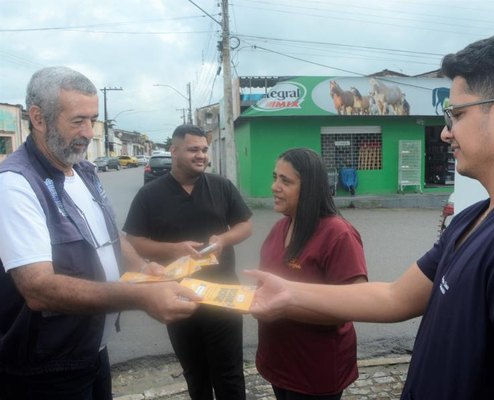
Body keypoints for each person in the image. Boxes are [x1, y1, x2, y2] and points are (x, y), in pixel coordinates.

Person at [246, 32, 494, 400]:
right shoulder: (476, 217)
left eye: (457, 114)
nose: (447, 133)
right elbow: (394, 297)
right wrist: (289, 294)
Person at [0, 66, 200, 400]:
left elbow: (111, 237)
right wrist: (141, 296)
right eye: (77, 120)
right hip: (44, 369)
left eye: (92, 120)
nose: (89, 132)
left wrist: (141, 268)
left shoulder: (84, 170)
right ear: (38, 117)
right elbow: (38, 289)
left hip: (92, 349)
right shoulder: (15, 184)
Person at [123, 123, 253, 400]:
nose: (201, 155)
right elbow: (133, 241)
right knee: (195, 372)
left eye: (204, 149)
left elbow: (245, 226)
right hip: (177, 296)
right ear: (174, 150)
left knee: (229, 372)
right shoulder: (150, 194)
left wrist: (222, 239)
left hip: (224, 295)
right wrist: (173, 249)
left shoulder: (221, 186)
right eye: (193, 149)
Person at [257, 148, 368, 400]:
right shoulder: (280, 227)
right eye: (275, 177)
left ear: (310, 187)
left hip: (315, 370)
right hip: (279, 361)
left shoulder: (338, 234)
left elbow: (353, 304)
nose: (274, 186)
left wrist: (281, 308)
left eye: (285, 181)